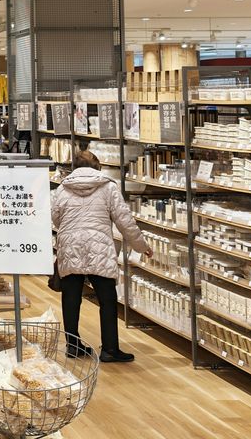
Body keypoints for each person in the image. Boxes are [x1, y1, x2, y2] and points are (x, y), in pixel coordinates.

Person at [52, 150, 151, 363]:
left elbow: (55, 217)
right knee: (107, 299)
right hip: (99, 247)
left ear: (74, 167)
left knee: (71, 297)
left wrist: (70, 230)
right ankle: (110, 349)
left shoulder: (62, 189)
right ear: (97, 166)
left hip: (71, 245)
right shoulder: (108, 188)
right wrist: (141, 246)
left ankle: (72, 345)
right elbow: (124, 221)